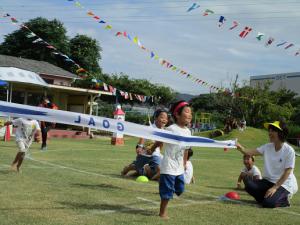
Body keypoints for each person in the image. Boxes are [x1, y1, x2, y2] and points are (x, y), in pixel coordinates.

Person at [236, 120, 298, 208]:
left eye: (273, 131)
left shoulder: (289, 150)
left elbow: (288, 172)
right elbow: (250, 152)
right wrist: (240, 148)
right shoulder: (267, 147)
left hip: (284, 185)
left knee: (268, 204)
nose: (269, 133)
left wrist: (275, 188)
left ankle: (284, 200)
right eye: (269, 130)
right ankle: (268, 198)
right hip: (268, 181)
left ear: (281, 133)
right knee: (249, 184)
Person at [159, 100, 192, 219]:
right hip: (168, 166)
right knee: (167, 191)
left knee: (180, 189)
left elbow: (186, 149)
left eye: (191, 113)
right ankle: (162, 212)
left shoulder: (188, 132)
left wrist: (184, 163)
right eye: (187, 112)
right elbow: (159, 140)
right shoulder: (171, 129)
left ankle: (167, 191)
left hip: (179, 167)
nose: (190, 115)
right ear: (177, 114)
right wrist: (152, 148)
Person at [121, 109, 168, 178]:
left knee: (160, 168)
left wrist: (159, 152)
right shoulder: (150, 128)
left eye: (166, 118)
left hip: (155, 154)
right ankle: (127, 168)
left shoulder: (164, 131)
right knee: (136, 166)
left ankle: (152, 177)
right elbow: (143, 138)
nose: (164, 119)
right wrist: (140, 147)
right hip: (144, 154)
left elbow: (161, 143)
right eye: (162, 117)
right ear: (155, 118)